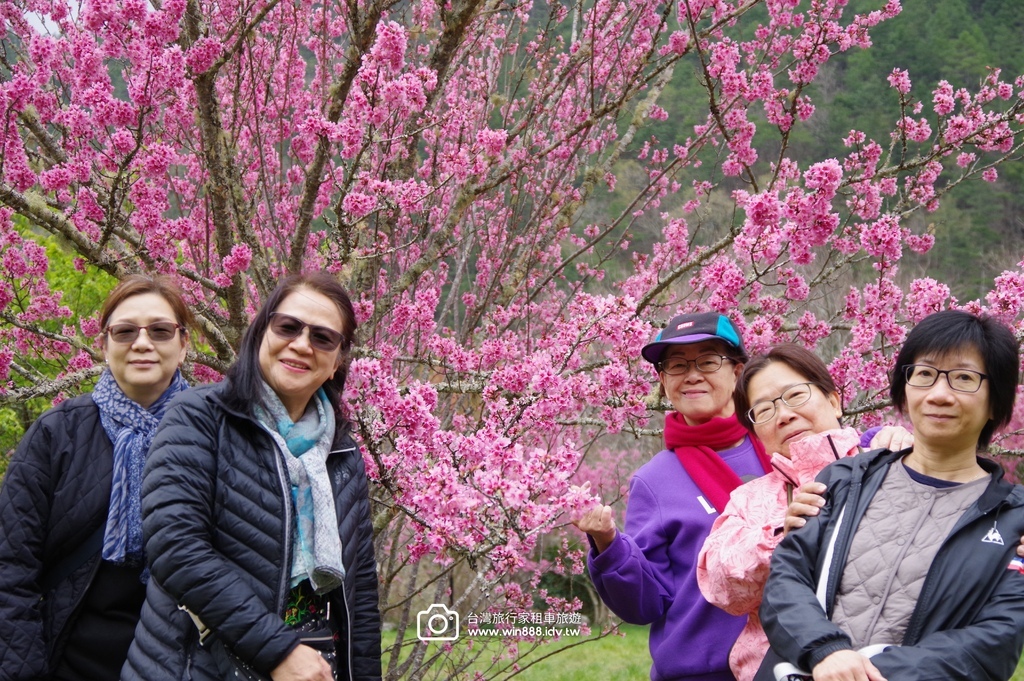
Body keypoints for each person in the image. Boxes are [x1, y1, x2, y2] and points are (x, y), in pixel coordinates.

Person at [122, 273, 381, 681]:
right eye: (288, 327)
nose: (301, 344)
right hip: (199, 667)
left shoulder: (342, 454)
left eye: (322, 338)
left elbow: (360, 591)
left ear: (337, 362)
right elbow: (175, 548)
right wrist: (278, 650)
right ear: (261, 332)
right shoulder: (199, 416)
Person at [756, 310, 1024, 681]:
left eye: (964, 378)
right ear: (904, 387)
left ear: (996, 401)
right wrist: (825, 652)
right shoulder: (845, 479)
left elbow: (996, 640)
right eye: (925, 374)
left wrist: (867, 674)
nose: (939, 394)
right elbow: (786, 579)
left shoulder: (1014, 519)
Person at [0, 275, 192, 681]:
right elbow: (10, 566)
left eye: (160, 330)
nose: (142, 343)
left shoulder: (212, 435)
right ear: (103, 345)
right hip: (72, 663)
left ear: (184, 343)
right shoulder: (59, 433)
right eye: (124, 332)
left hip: (187, 665)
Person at [572, 311, 773, 681]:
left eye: (709, 361)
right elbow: (646, 604)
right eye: (677, 366)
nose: (692, 375)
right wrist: (607, 544)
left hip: (794, 664)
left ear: (738, 371)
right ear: (663, 381)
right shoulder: (654, 480)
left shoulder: (780, 446)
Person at [696, 344, 912, 681]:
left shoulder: (891, 459)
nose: (783, 415)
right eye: (763, 410)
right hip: (778, 670)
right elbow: (720, 586)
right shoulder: (749, 500)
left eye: (795, 395)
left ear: (834, 399)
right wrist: (781, 532)